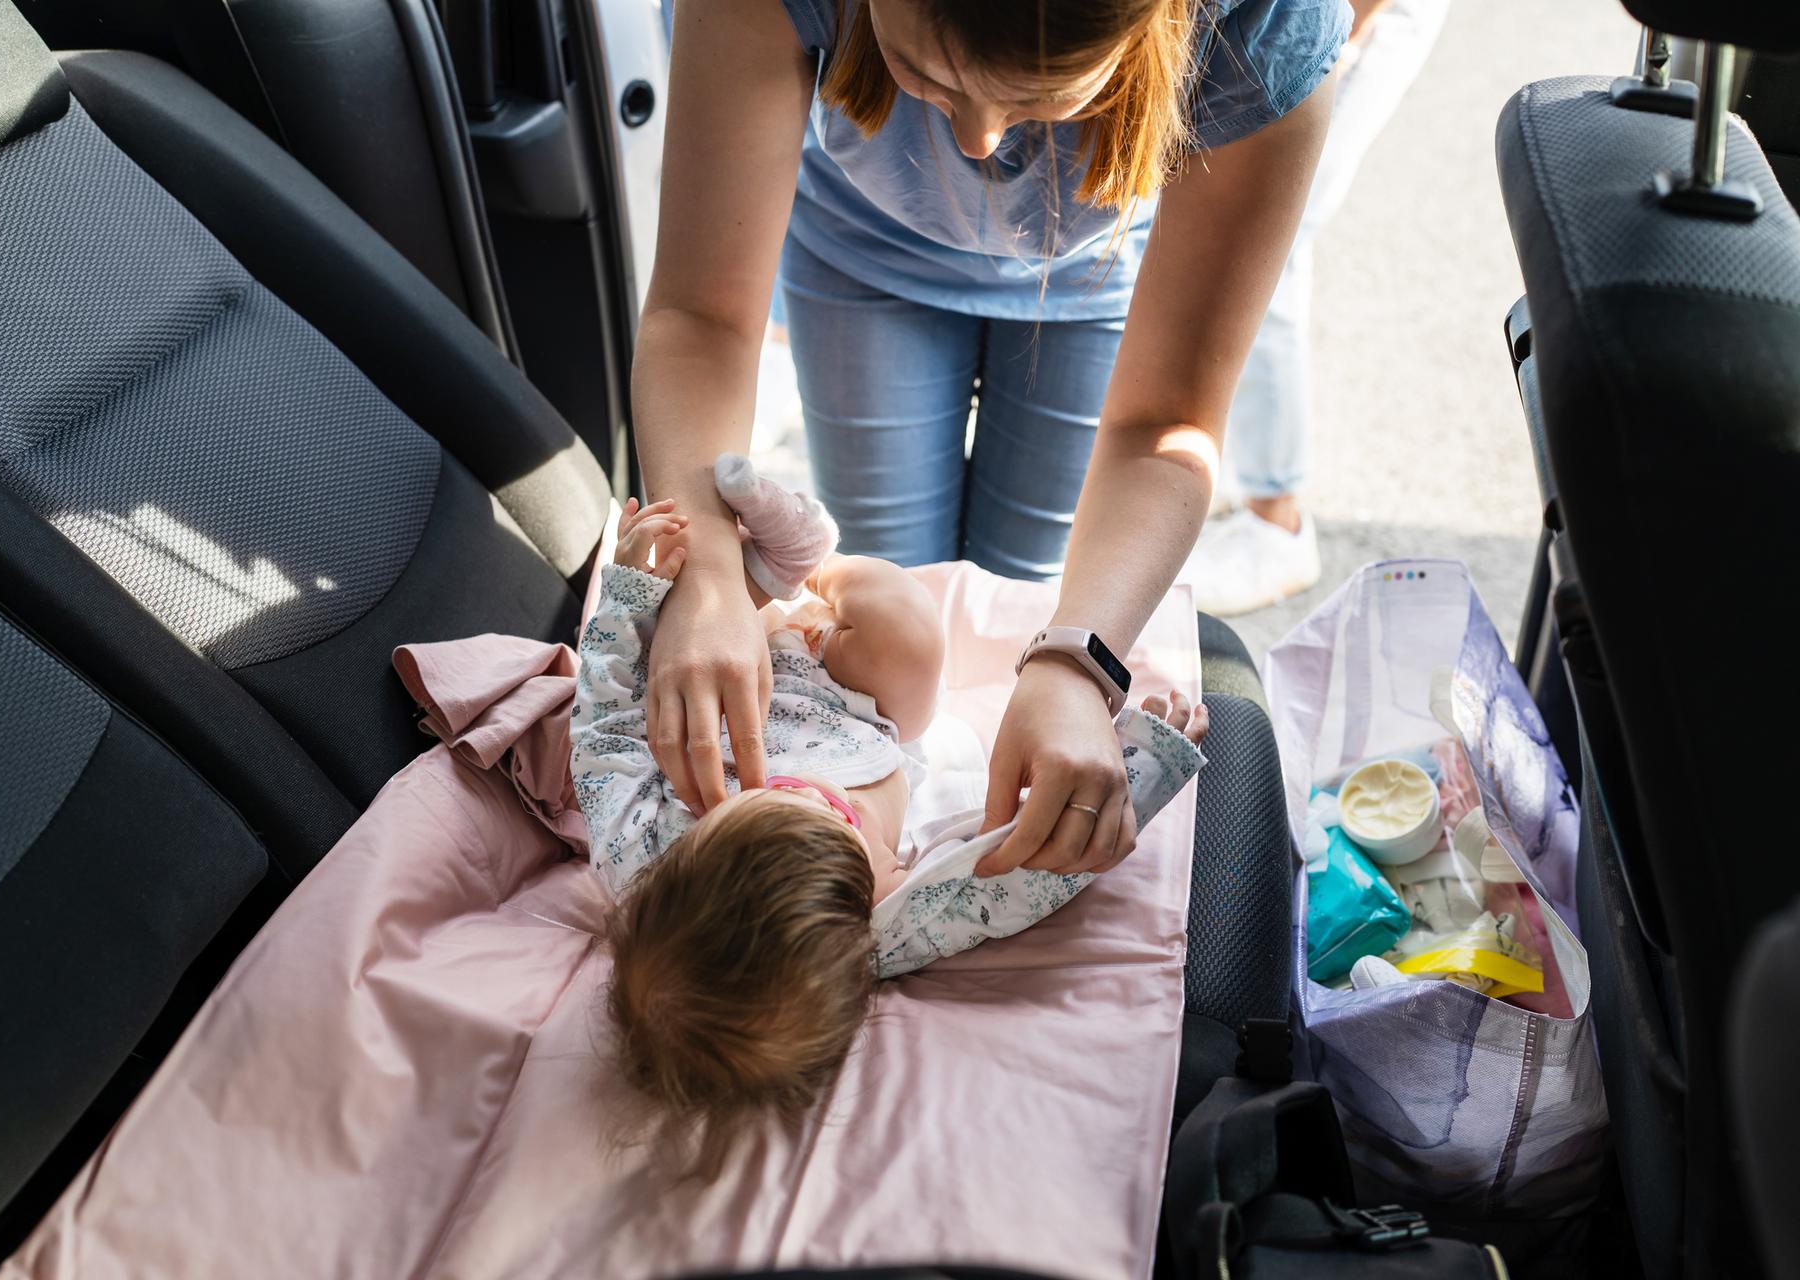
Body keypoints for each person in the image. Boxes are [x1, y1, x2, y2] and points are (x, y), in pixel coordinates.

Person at [635, 0, 1342, 885]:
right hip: (857, 251)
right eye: (926, 76)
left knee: (1028, 598)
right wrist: (702, 575)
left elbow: (1165, 424)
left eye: (1047, 102)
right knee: (897, 589)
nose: (980, 142)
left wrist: (1078, 658)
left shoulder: (1266, 31)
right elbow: (699, 315)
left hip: (1092, 275)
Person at [575, 460, 1209, 1167]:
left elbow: (603, 729)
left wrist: (631, 592)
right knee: (908, 628)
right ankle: (806, 566)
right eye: (842, 825)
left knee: (678, 634)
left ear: (673, 870)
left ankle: (795, 565)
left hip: (723, 680)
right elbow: (1028, 878)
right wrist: (1146, 763)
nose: (812, 789)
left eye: (760, 805)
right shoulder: (883, 928)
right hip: (857, 708)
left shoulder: (634, 854)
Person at [1180, 0, 1451, 614]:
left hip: (1345, 11)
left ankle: (1277, 524)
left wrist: (1345, 29)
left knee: (1263, 245)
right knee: (1217, 231)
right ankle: (1224, 476)